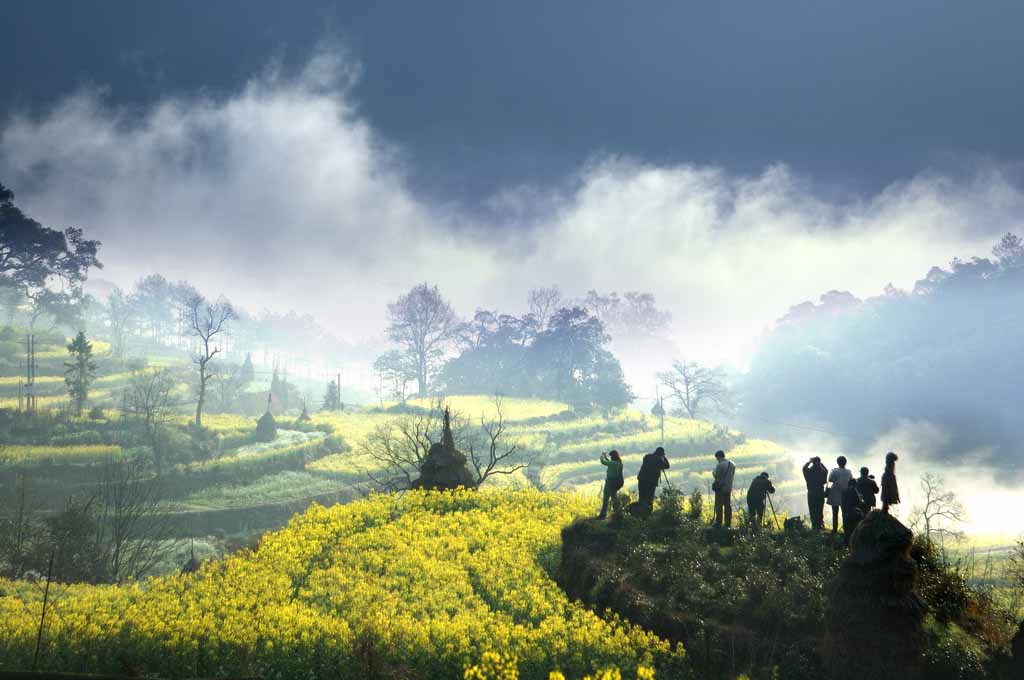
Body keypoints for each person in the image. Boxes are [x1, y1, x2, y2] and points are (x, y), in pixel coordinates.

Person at [637, 446, 670, 512]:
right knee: (649, 498)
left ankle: (639, 513)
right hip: (651, 482)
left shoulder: (647, 456)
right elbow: (667, 466)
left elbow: (645, 459)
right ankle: (648, 513)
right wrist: (664, 457)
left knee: (641, 497)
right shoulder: (659, 460)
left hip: (641, 479)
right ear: (661, 454)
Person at [827, 456, 854, 535]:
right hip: (845, 495)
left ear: (837, 462)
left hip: (835, 494)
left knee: (834, 513)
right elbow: (851, 481)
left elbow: (830, 480)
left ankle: (835, 529)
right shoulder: (849, 472)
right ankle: (846, 529)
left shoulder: (834, 471)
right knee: (845, 513)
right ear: (845, 463)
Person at [802, 456, 829, 530]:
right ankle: (820, 525)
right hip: (820, 492)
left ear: (812, 463)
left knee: (812, 509)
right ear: (819, 462)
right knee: (820, 510)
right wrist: (821, 464)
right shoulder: (823, 472)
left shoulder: (808, 471)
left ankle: (814, 526)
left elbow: (804, 468)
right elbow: (826, 470)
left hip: (811, 493)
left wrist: (809, 462)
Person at [597, 450, 624, 519]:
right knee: (614, 498)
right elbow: (610, 462)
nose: (610, 457)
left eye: (611, 456)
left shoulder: (613, 463)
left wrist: (602, 456)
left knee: (606, 498)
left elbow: (603, 462)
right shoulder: (619, 463)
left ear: (613, 456)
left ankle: (603, 515)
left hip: (610, 482)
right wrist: (606, 457)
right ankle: (617, 513)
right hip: (615, 483)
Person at [712, 450, 736, 527]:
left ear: (719, 457)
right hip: (728, 488)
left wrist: (713, 473)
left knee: (719, 505)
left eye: (717, 458)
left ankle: (718, 522)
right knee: (727, 505)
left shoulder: (720, 465)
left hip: (720, 488)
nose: (717, 460)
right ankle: (728, 523)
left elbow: (717, 476)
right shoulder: (732, 464)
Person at [840, 478, 866, 547]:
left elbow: (842, 502)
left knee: (846, 528)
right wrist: (861, 499)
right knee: (853, 528)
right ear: (855, 484)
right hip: (853, 512)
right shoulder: (854, 490)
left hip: (845, 512)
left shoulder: (844, 490)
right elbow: (857, 502)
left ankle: (845, 544)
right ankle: (853, 544)